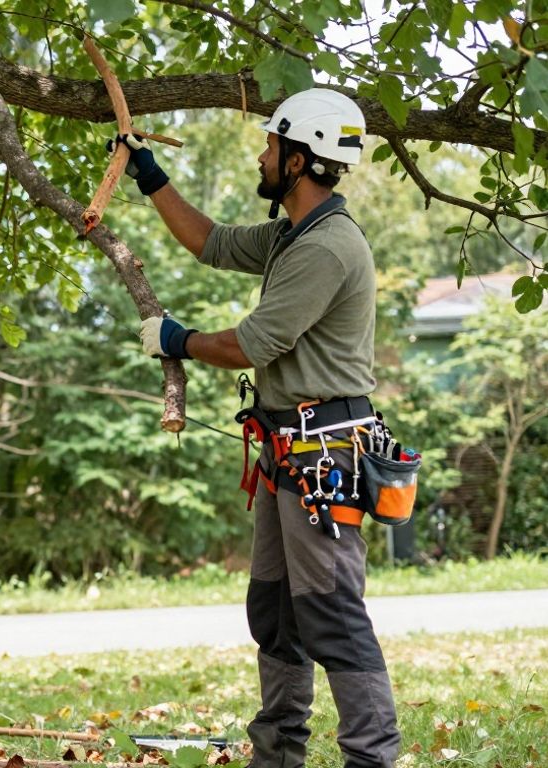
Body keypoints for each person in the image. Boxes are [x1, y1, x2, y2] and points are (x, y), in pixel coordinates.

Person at [116, 89, 402, 768]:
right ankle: (277, 754)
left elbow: (253, 343)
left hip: (324, 450)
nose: (262, 153)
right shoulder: (289, 236)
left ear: (299, 161)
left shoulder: (328, 247)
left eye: (272, 146)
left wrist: (176, 340)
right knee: (275, 611)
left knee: (331, 612)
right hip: (287, 447)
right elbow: (208, 242)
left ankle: (373, 758)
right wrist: (148, 175)